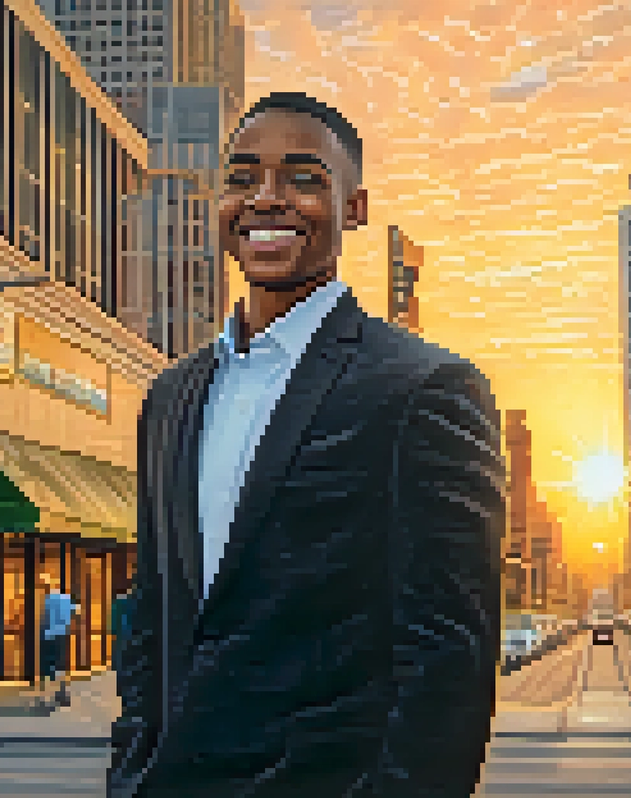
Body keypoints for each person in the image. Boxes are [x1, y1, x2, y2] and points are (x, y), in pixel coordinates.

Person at [108, 92, 505, 798]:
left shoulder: (426, 389)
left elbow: (449, 660)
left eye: (303, 177)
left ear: (354, 207)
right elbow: (151, 614)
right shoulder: (170, 397)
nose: (267, 199)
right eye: (242, 177)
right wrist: (131, 769)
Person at [40, 576, 77, 707]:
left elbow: (44, 618)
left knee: (46, 665)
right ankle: (62, 693)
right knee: (61, 665)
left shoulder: (47, 600)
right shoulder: (66, 599)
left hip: (49, 634)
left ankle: (45, 696)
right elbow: (75, 613)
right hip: (62, 634)